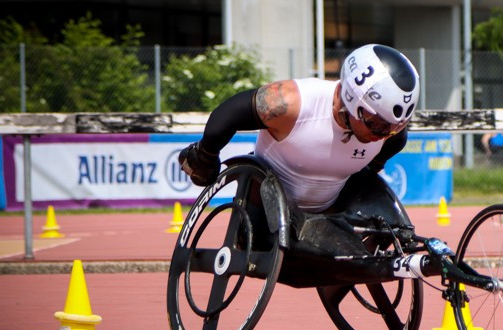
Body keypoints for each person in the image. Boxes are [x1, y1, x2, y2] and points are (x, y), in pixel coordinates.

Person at [179, 43, 419, 215]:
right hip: (266, 207)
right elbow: (227, 113)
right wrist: (206, 156)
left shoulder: (393, 138)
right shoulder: (292, 103)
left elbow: (385, 149)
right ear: (352, 99)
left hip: (331, 216)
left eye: (391, 128)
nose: (380, 136)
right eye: (375, 125)